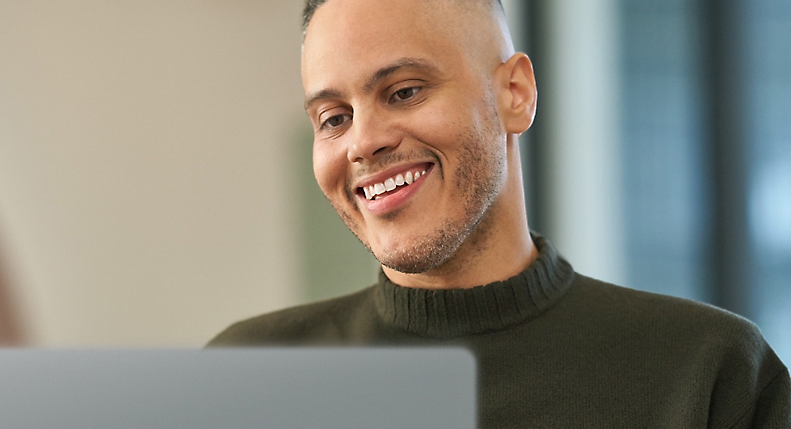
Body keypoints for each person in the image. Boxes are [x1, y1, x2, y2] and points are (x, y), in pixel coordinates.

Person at [209, 0, 791, 426]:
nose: (363, 142)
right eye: (333, 118)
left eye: (404, 91)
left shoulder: (710, 375)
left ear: (516, 92)